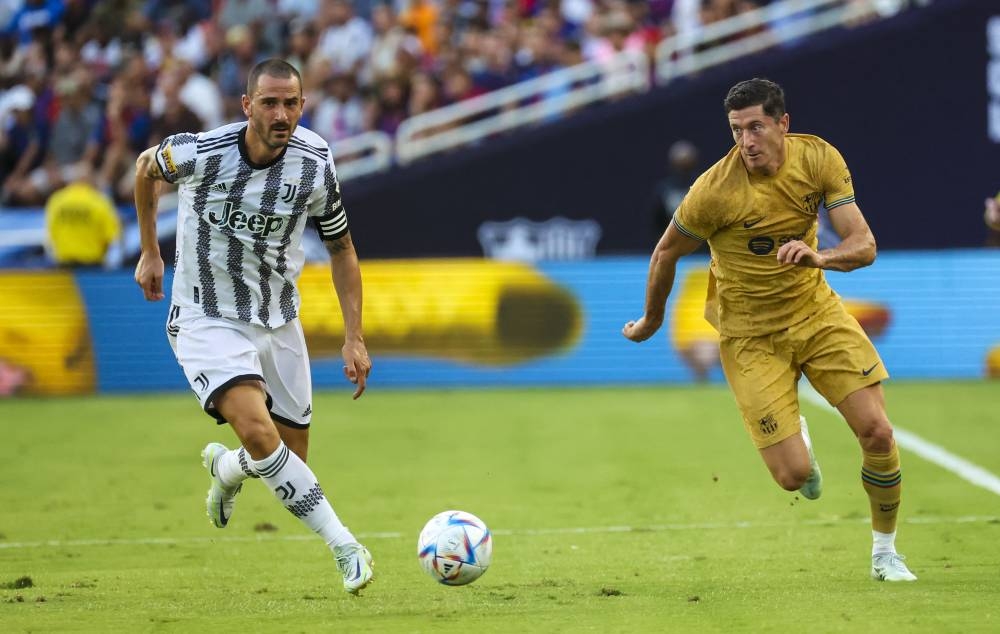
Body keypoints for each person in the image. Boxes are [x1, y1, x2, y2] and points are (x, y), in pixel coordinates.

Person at [623, 78, 917, 582]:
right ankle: (796, 437)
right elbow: (667, 250)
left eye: (756, 126)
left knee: (878, 431)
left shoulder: (819, 159)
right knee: (793, 477)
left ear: (783, 124)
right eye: (737, 130)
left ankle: (885, 552)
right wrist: (652, 319)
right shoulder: (713, 191)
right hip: (751, 336)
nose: (746, 140)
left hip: (816, 313)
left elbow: (864, 244)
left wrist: (819, 256)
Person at [132, 58, 375, 594]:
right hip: (205, 315)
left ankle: (226, 472)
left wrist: (353, 334)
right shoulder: (202, 152)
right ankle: (345, 546)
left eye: (291, 103)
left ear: (303, 106)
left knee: (286, 457)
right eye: (269, 102)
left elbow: (342, 248)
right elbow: (146, 167)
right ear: (247, 106)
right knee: (261, 434)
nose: (281, 113)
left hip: (278, 319)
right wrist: (151, 250)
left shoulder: (315, 164)